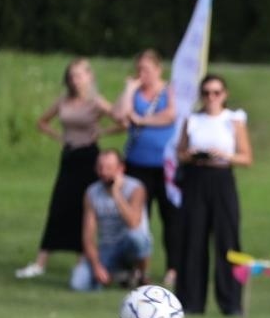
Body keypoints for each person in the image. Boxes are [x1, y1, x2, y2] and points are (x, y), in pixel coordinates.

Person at [16, 58, 126, 278]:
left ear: (89, 77)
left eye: (79, 75)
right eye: (72, 76)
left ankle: (82, 258)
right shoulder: (64, 101)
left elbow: (121, 121)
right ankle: (41, 261)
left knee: (84, 207)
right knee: (59, 205)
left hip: (89, 157)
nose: (75, 80)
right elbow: (42, 122)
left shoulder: (96, 102)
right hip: (69, 156)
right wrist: (60, 137)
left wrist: (103, 132)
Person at [175, 73, 252, 315]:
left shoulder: (233, 120)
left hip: (222, 178)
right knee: (193, 240)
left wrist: (224, 155)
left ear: (224, 95)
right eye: (206, 93)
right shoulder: (193, 120)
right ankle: (191, 301)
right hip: (196, 178)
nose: (211, 97)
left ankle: (231, 302)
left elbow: (247, 157)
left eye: (216, 92)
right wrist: (194, 153)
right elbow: (180, 152)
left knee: (227, 240)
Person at [116, 49, 179, 288]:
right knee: (138, 218)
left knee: (171, 217)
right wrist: (130, 89)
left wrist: (141, 120)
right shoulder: (134, 92)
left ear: (158, 69)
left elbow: (170, 115)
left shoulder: (168, 90)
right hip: (136, 164)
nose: (143, 74)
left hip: (165, 166)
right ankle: (139, 268)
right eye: (139, 69)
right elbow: (120, 116)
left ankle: (174, 267)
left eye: (148, 69)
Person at [71, 149, 152, 291]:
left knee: (138, 238)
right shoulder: (92, 192)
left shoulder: (136, 188)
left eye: (109, 168)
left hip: (129, 244)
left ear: (121, 168)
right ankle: (121, 275)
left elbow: (133, 223)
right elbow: (88, 236)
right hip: (107, 248)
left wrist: (116, 193)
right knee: (78, 284)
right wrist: (97, 267)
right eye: (100, 167)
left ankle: (142, 275)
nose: (103, 172)